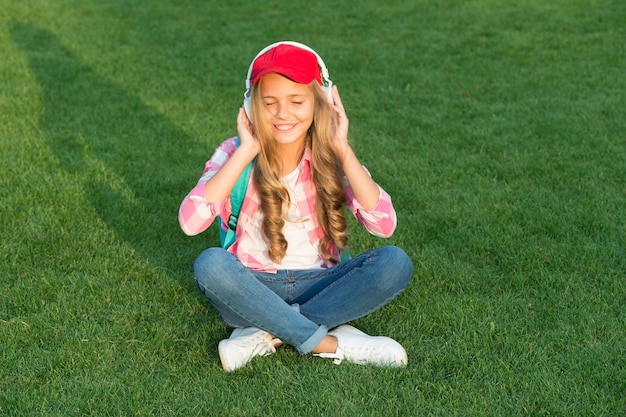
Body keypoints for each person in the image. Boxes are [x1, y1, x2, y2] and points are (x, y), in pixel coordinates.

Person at [178, 41, 412, 371]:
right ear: (251, 105)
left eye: (296, 101)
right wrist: (246, 152)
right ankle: (330, 343)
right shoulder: (234, 152)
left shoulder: (329, 154)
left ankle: (266, 332)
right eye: (269, 103)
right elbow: (190, 222)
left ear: (322, 104)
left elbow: (383, 224)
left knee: (394, 262)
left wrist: (343, 149)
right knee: (210, 265)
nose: (282, 113)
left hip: (322, 283)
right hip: (253, 285)